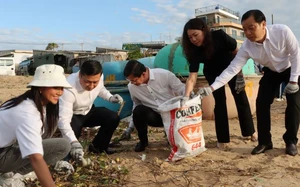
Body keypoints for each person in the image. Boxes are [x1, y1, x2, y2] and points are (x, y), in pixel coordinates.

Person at [198, 9, 300, 156]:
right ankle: (265, 142)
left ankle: (290, 141)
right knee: (261, 103)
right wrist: (212, 87)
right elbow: (232, 69)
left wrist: (294, 81)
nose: (248, 33)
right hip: (271, 71)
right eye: (244, 29)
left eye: (251, 28)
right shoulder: (247, 46)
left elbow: (296, 54)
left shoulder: (282, 31)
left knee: (294, 103)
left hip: (290, 68)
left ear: (263, 24)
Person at [180, 17, 256, 149]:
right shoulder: (193, 50)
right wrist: (186, 96)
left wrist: (239, 74)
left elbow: (237, 52)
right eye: (190, 37)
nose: (193, 39)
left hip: (231, 68)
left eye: (195, 35)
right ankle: (222, 139)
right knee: (220, 103)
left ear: (204, 30)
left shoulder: (219, 36)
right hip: (213, 74)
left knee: (241, 98)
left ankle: (250, 132)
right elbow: (192, 77)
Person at [0, 64, 72, 187]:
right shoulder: (27, 113)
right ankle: (8, 177)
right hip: (1, 154)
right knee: (61, 146)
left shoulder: (29, 103)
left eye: (61, 88)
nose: (60, 92)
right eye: (55, 87)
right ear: (40, 87)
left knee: (62, 145)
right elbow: (35, 157)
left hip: (7, 147)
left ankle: (11, 172)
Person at [58, 60, 123, 160]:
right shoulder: (68, 88)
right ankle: (66, 160)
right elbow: (63, 120)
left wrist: (110, 97)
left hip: (88, 111)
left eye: (95, 82)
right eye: (87, 82)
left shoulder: (98, 76)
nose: (91, 86)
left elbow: (101, 89)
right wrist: (73, 142)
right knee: (70, 142)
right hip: (73, 115)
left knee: (112, 117)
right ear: (80, 75)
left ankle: (98, 147)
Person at [123, 60, 186, 152]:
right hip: (155, 117)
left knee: (179, 142)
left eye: (134, 80)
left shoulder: (164, 75)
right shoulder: (132, 87)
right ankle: (143, 142)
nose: (132, 83)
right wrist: (130, 127)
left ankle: (172, 135)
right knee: (139, 110)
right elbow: (136, 105)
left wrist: (189, 101)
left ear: (143, 74)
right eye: (130, 80)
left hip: (174, 115)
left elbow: (182, 88)